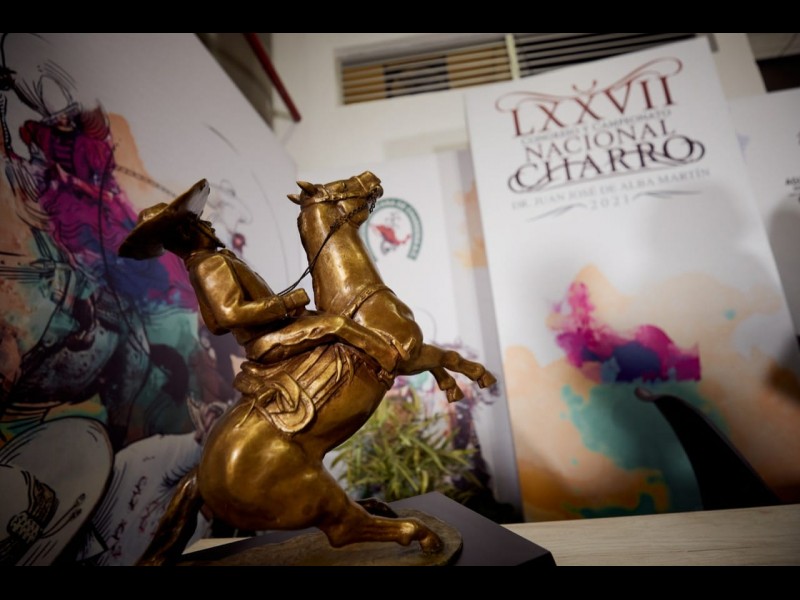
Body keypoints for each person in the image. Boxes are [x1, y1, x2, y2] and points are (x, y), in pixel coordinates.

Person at [118, 179, 400, 375]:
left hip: (268, 334)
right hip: (268, 341)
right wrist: (286, 303)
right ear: (186, 232)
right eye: (199, 222)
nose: (208, 224)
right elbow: (229, 315)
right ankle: (390, 359)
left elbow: (215, 325)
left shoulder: (203, 266)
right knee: (335, 324)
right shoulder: (210, 265)